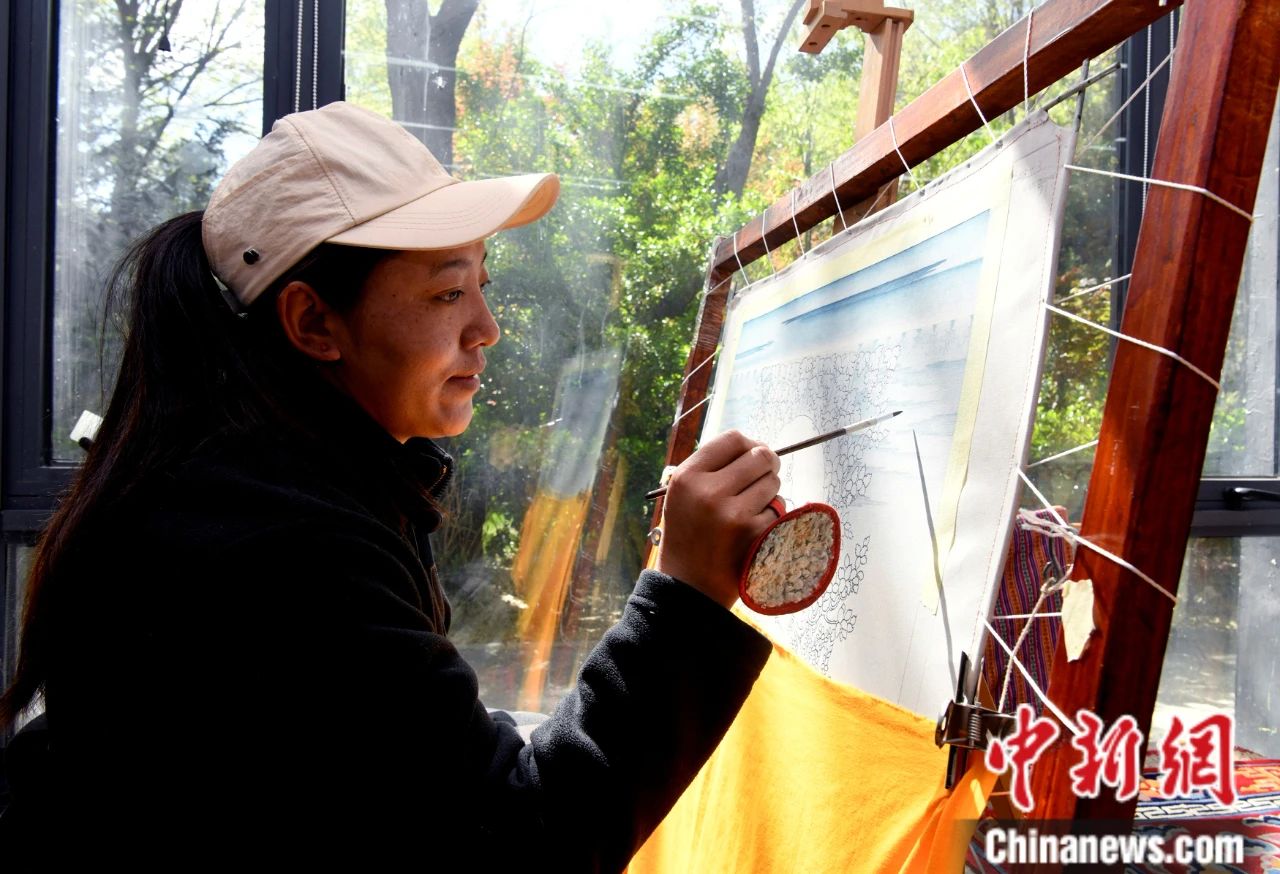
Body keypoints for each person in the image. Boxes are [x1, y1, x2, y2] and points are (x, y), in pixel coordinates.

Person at [0, 102, 781, 868]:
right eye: (448, 293)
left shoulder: (266, 481)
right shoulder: (281, 550)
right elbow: (521, 843)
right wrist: (684, 594)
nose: (487, 328)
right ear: (313, 323)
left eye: (482, 282)